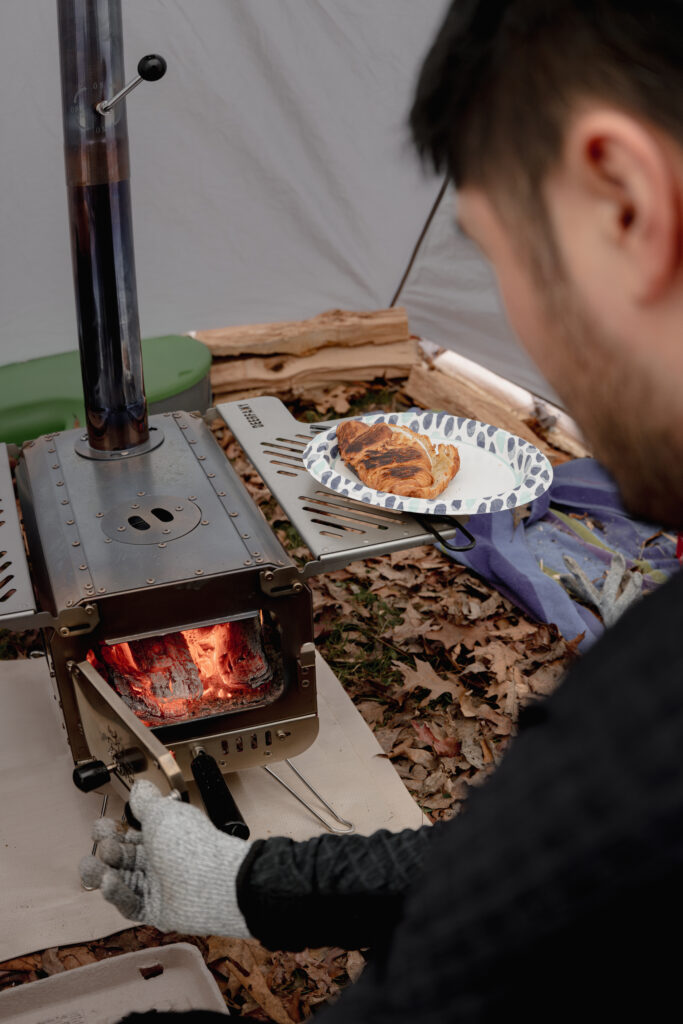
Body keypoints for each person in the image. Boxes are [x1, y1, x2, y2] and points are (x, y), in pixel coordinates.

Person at [82, 1, 683, 1019]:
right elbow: (521, 868)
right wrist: (254, 887)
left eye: (499, 254)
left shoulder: (652, 703)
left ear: (620, 200)